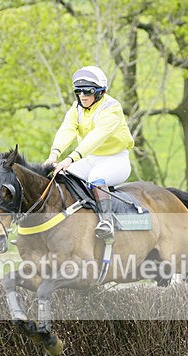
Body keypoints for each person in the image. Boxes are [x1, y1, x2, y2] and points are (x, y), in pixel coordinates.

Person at [43, 65, 135, 241]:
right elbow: (67, 130)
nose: (82, 96)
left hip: (115, 160)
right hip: (91, 159)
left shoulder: (111, 108)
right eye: (79, 91)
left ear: (100, 92)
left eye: (88, 91)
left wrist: (70, 159)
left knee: (96, 178)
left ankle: (106, 223)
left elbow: (95, 138)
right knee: (59, 175)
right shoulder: (76, 107)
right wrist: (53, 155)